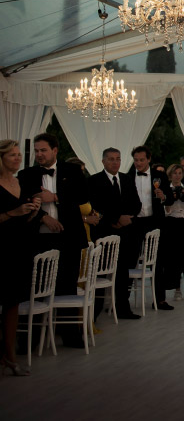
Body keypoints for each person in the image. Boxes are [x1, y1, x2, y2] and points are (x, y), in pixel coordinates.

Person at [19, 133, 87, 347]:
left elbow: (83, 196)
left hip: (69, 237)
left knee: (66, 284)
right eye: (37, 151)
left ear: (55, 150)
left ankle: (69, 334)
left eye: (43, 150)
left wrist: (55, 197)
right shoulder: (25, 174)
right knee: (35, 286)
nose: (39, 154)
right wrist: (44, 217)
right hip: (37, 239)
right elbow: (21, 202)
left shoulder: (73, 171)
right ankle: (32, 336)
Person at [0, 140, 40, 376]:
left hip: (19, 249)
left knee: (13, 303)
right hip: (1, 249)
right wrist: (12, 213)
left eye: (18, 155)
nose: (18, 158)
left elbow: (22, 221)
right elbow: (10, 216)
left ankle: (10, 356)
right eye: (13, 155)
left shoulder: (19, 182)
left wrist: (32, 212)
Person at [88, 147, 142, 320]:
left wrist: (128, 218)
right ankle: (94, 314)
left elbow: (136, 203)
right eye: (111, 159)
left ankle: (122, 309)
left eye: (118, 159)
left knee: (123, 272)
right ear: (103, 161)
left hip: (125, 233)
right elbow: (95, 206)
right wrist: (116, 219)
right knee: (101, 273)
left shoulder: (126, 179)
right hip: (104, 232)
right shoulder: (94, 180)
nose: (115, 162)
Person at [124, 146, 171, 310]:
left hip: (154, 222)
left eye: (141, 160)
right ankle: (124, 302)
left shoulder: (159, 176)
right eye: (136, 160)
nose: (138, 163)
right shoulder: (127, 177)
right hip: (134, 223)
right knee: (130, 259)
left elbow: (170, 198)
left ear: (149, 159)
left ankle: (160, 299)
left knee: (158, 261)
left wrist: (164, 196)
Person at [161, 164, 184, 303]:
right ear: (170, 175)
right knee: (174, 257)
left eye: (180, 173)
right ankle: (176, 289)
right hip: (171, 223)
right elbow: (166, 211)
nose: (177, 175)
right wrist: (171, 198)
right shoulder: (166, 188)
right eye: (175, 173)